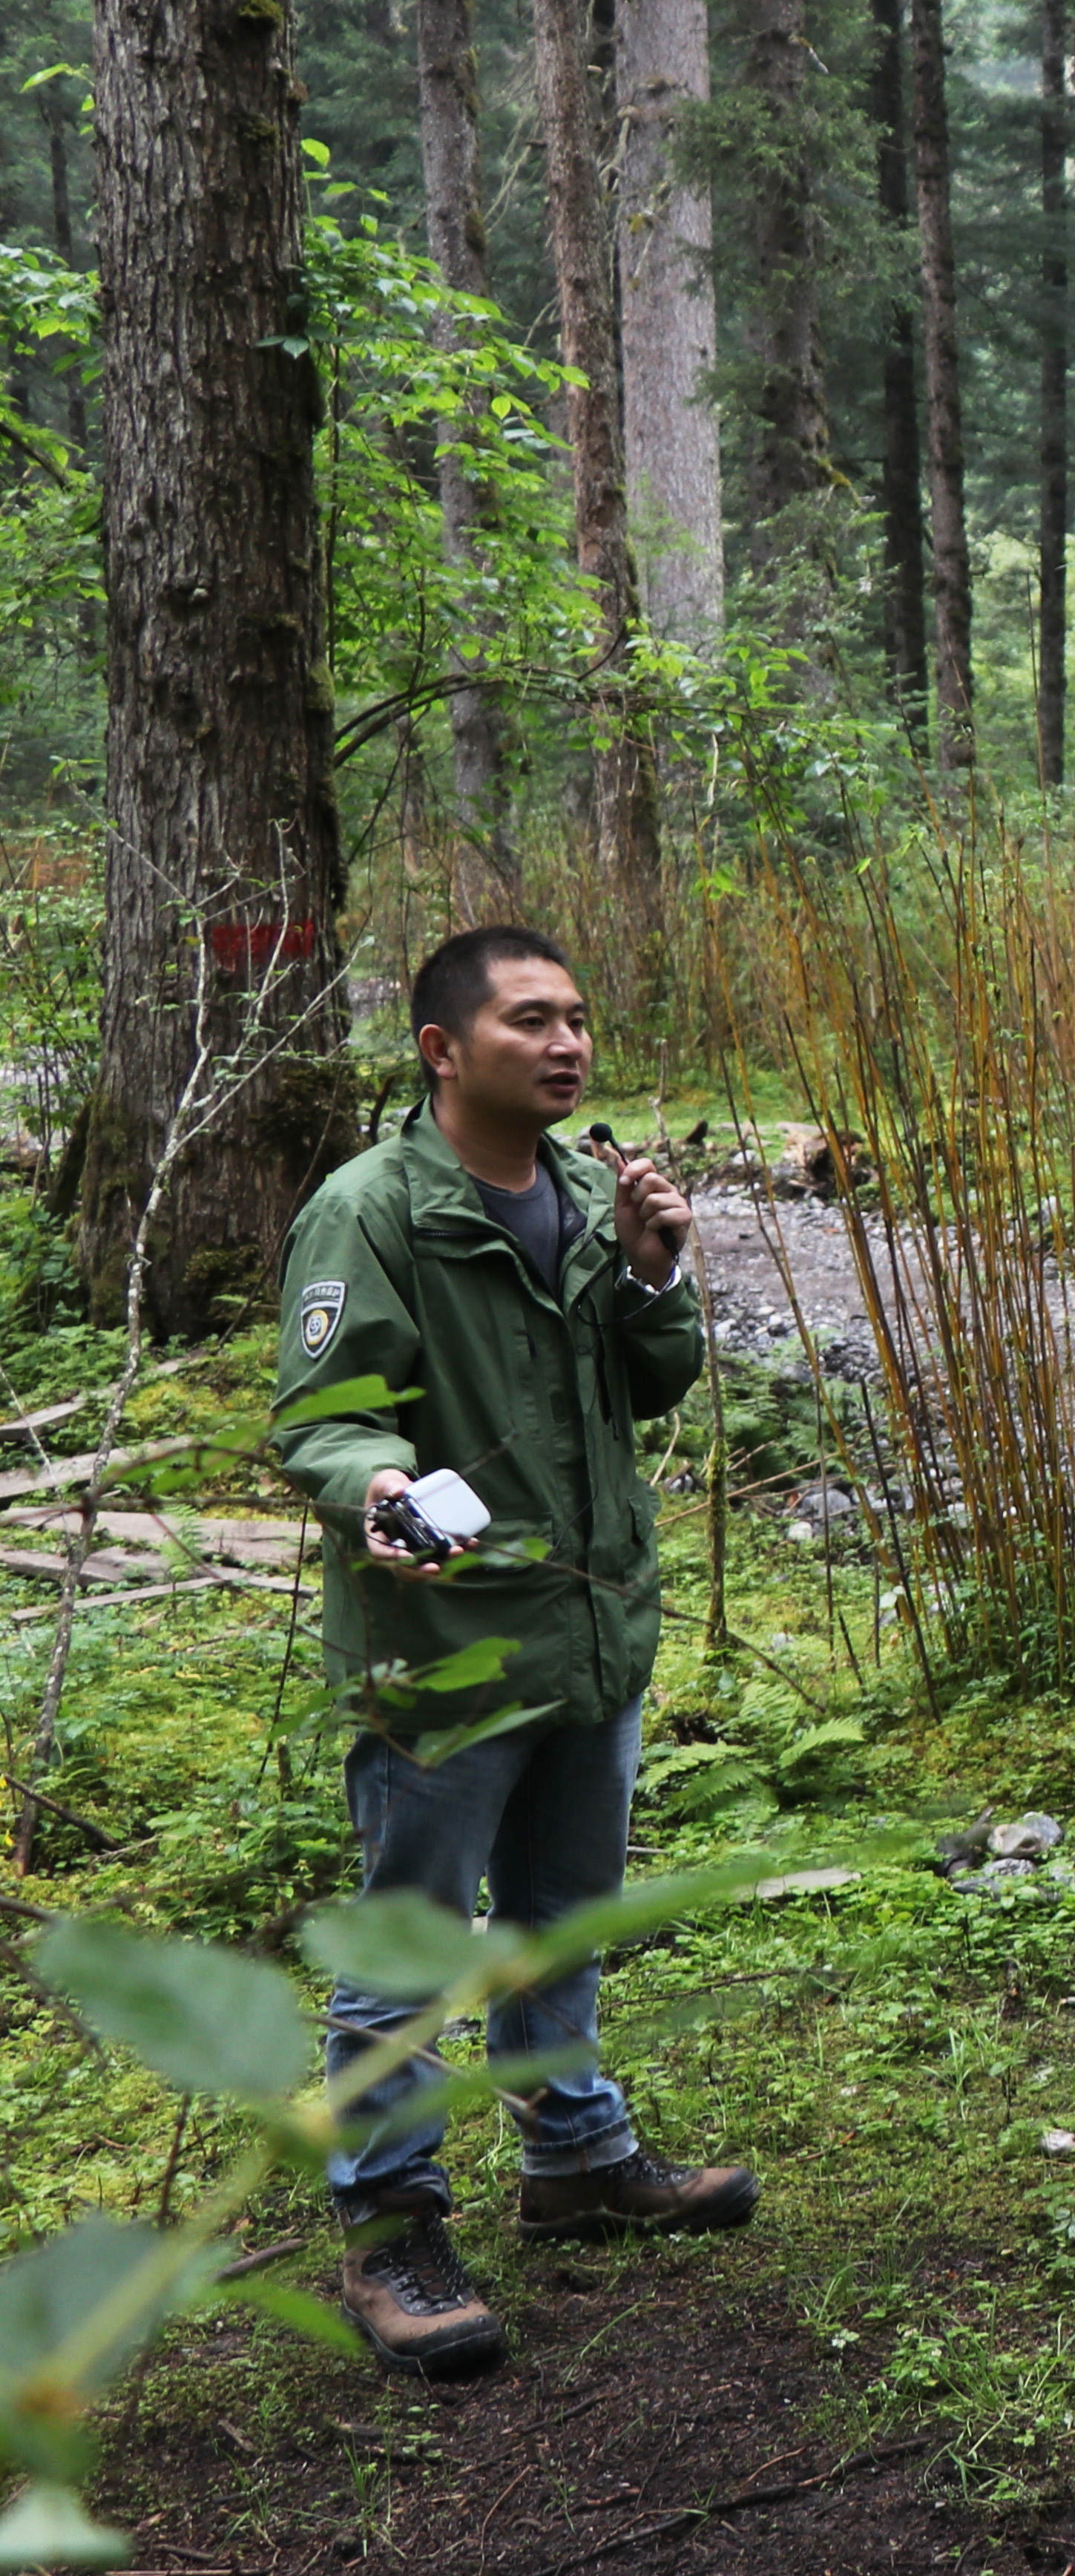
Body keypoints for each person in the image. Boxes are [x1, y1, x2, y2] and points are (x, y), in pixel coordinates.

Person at [272, 926, 753, 2376]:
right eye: (529, 1018)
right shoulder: (374, 1212)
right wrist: (377, 1483)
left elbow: (644, 1386)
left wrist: (654, 1268)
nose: (566, 1042)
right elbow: (320, 1416)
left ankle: (577, 2158)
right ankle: (389, 2222)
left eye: (579, 1016)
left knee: (561, 1913)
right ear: (442, 1049)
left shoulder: (586, 1194)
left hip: (592, 1629)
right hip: (449, 1651)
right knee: (413, 1941)